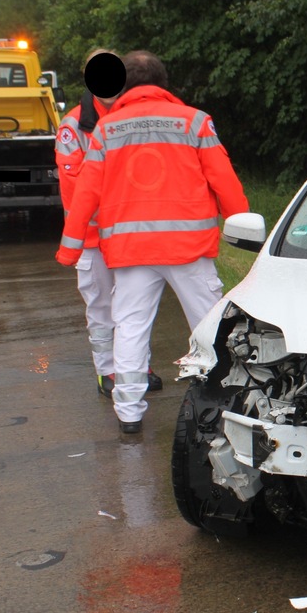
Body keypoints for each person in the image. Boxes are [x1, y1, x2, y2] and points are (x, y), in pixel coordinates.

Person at [56, 50, 248, 435]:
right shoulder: (195, 122)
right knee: (210, 325)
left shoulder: (107, 129)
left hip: (131, 252)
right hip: (188, 249)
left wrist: (69, 248)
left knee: (130, 327)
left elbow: (85, 195)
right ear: (164, 82)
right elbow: (224, 181)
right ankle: (226, 397)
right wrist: (243, 227)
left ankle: (128, 411)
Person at [55, 50, 162, 400]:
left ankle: (137, 367)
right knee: (101, 307)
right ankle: (107, 370)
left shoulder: (135, 117)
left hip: (131, 233)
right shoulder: (74, 126)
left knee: (135, 306)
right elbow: (77, 187)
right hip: (92, 236)